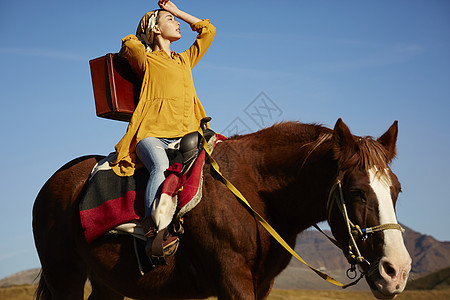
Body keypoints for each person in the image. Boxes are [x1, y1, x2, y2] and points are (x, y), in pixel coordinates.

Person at [110, 0, 216, 261]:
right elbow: (129, 44)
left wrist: (177, 11)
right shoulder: (146, 60)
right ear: (155, 29)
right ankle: (153, 230)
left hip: (186, 134)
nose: (177, 23)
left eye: (176, 19)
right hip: (152, 134)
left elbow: (208, 31)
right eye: (170, 20)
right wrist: (148, 30)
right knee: (159, 165)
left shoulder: (185, 60)